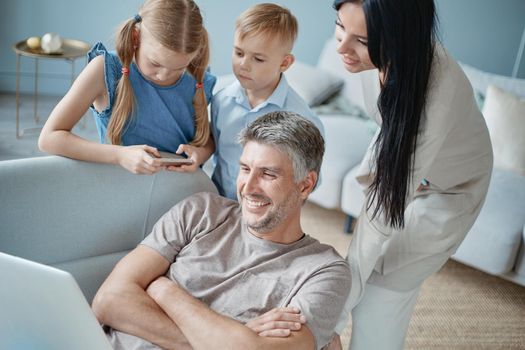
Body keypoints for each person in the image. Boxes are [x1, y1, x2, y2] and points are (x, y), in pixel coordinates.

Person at [92, 111, 351, 350]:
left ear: (305, 185)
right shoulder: (201, 211)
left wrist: (163, 290)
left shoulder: (323, 271)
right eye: (245, 169)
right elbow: (108, 299)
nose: (248, 187)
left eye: (268, 174)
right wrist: (226, 338)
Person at [327, 0, 493, 349]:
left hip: (452, 190)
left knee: (379, 296)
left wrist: (328, 319)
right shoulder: (387, 57)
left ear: (398, 37)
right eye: (341, 26)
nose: (341, 46)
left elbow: (378, 219)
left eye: (361, 40)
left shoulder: (433, 98)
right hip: (414, 162)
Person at [38, 0, 216, 175]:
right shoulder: (105, 69)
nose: (163, 75)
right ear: (135, 37)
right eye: (155, 63)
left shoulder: (198, 81)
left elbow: (207, 137)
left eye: (178, 68)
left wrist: (201, 154)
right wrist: (119, 156)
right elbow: (49, 138)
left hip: (181, 193)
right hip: (120, 189)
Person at [210, 3, 325, 200]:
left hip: (267, 210)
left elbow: (310, 179)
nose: (243, 65)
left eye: (258, 59)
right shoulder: (221, 100)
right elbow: (214, 151)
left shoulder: (300, 117)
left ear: (284, 63)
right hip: (222, 201)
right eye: (239, 53)